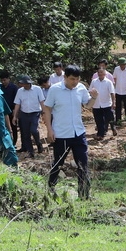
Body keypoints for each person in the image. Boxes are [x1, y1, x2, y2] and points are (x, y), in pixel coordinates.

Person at [43, 65, 97, 198]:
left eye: (77, 79)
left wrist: (94, 98)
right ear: (65, 77)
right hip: (61, 134)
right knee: (58, 163)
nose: (75, 82)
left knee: (83, 165)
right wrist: (49, 130)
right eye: (72, 79)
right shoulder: (55, 90)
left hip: (78, 133)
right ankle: (50, 190)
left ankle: (84, 195)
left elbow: (87, 105)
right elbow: (47, 110)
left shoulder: (80, 88)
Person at [12, 75, 46, 159]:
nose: (25, 85)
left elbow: (42, 101)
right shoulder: (20, 91)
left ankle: (38, 144)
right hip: (24, 114)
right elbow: (17, 104)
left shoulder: (37, 89)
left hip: (35, 113)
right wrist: (15, 116)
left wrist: (44, 113)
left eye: (26, 84)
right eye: (23, 84)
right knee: (26, 134)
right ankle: (30, 151)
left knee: (34, 130)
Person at [89, 62, 116, 139]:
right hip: (96, 104)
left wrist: (113, 102)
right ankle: (100, 134)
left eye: (102, 73)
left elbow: (112, 93)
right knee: (98, 120)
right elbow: (90, 91)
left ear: (105, 74)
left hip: (106, 103)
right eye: (99, 73)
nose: (100, 74)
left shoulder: (108, 82)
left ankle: (113, 128)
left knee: (109, 117)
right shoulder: (94, 81)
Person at [112, 58, 126, 126]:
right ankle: (118, 120)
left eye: (124, 64)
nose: (122, 66)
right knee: (118, 107)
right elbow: (115, 78)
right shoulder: (116, 69)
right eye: (121, 65)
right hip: (118, 91)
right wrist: (114, 87)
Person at [0, 72, 19, 144]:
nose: (3, 82)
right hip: (3, 110)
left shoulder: (14, 87)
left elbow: (16, 99)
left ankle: (14, 142)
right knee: (4, 126)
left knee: (13, 126)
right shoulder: (0, 87)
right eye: (2, 80)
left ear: (8, 79)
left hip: (12, 110)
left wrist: (15, 111)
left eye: (4, 80)